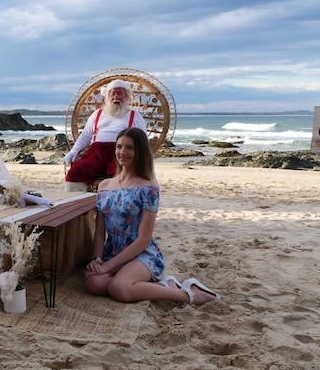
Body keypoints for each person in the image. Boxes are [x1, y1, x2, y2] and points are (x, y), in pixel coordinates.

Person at [84, 126, 222, 306]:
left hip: (142, 253)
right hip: (114, 251)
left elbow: (143, 239)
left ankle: (190, 294)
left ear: (140, 151)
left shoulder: (148, 187)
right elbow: (100, 230)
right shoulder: (104, 186)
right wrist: (98, 259)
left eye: (129, 147)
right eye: (119, 146)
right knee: (94, 282)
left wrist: (108, 267)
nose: (122, 152)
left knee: (119, 288)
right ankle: (161, 284)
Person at [63, 79, 148, 191]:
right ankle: (75, 205)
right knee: (75, 173)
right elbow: (85, 137)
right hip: (96, 154)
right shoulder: (97, 114)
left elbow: (143, 141)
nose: (116, 97)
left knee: (123, 176)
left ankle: (116, 205)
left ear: (127, 96)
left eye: (120, 93)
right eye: (113, 94)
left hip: (121, 154)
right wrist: (74, 151)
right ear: (107, 97)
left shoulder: (135, 116)